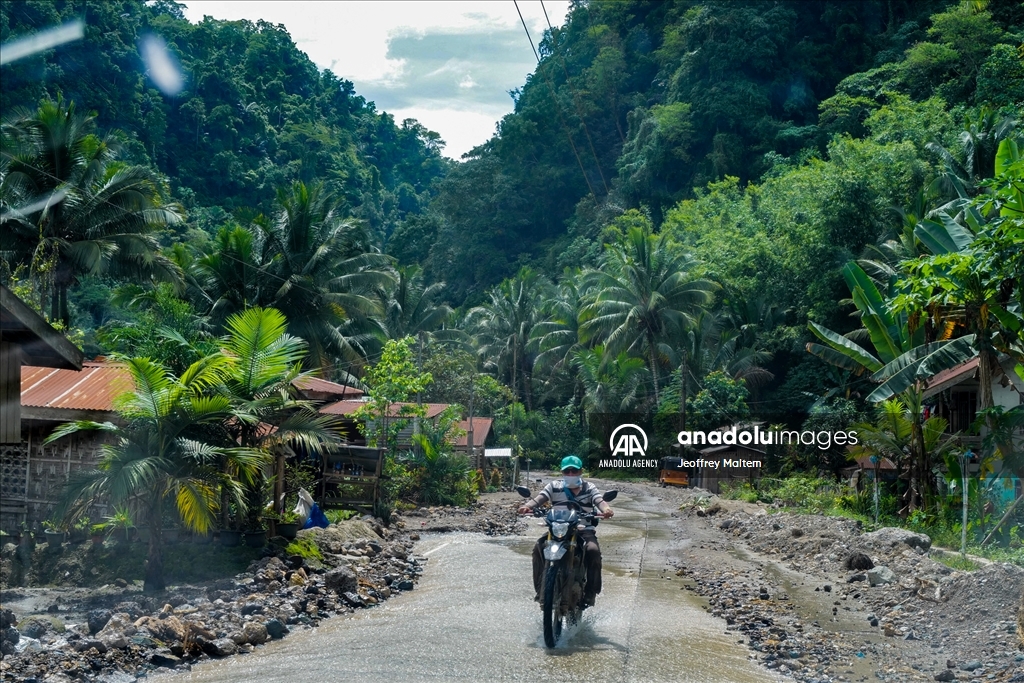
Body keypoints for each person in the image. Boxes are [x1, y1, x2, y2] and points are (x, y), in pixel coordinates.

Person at [517, 455, 614, 608]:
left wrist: (606, 509)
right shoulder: (554, 485)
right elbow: (539, 499)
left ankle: (590, 593)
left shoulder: (589, 488)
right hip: (557, 528)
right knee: (537, 548)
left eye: (573, 471)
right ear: (562, 472)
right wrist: (527, 506)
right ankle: (540, 590)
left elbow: (599, 500)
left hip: (583, 529)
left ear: (580, 471)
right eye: (566, 471)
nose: (570, 474)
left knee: (593, 551)